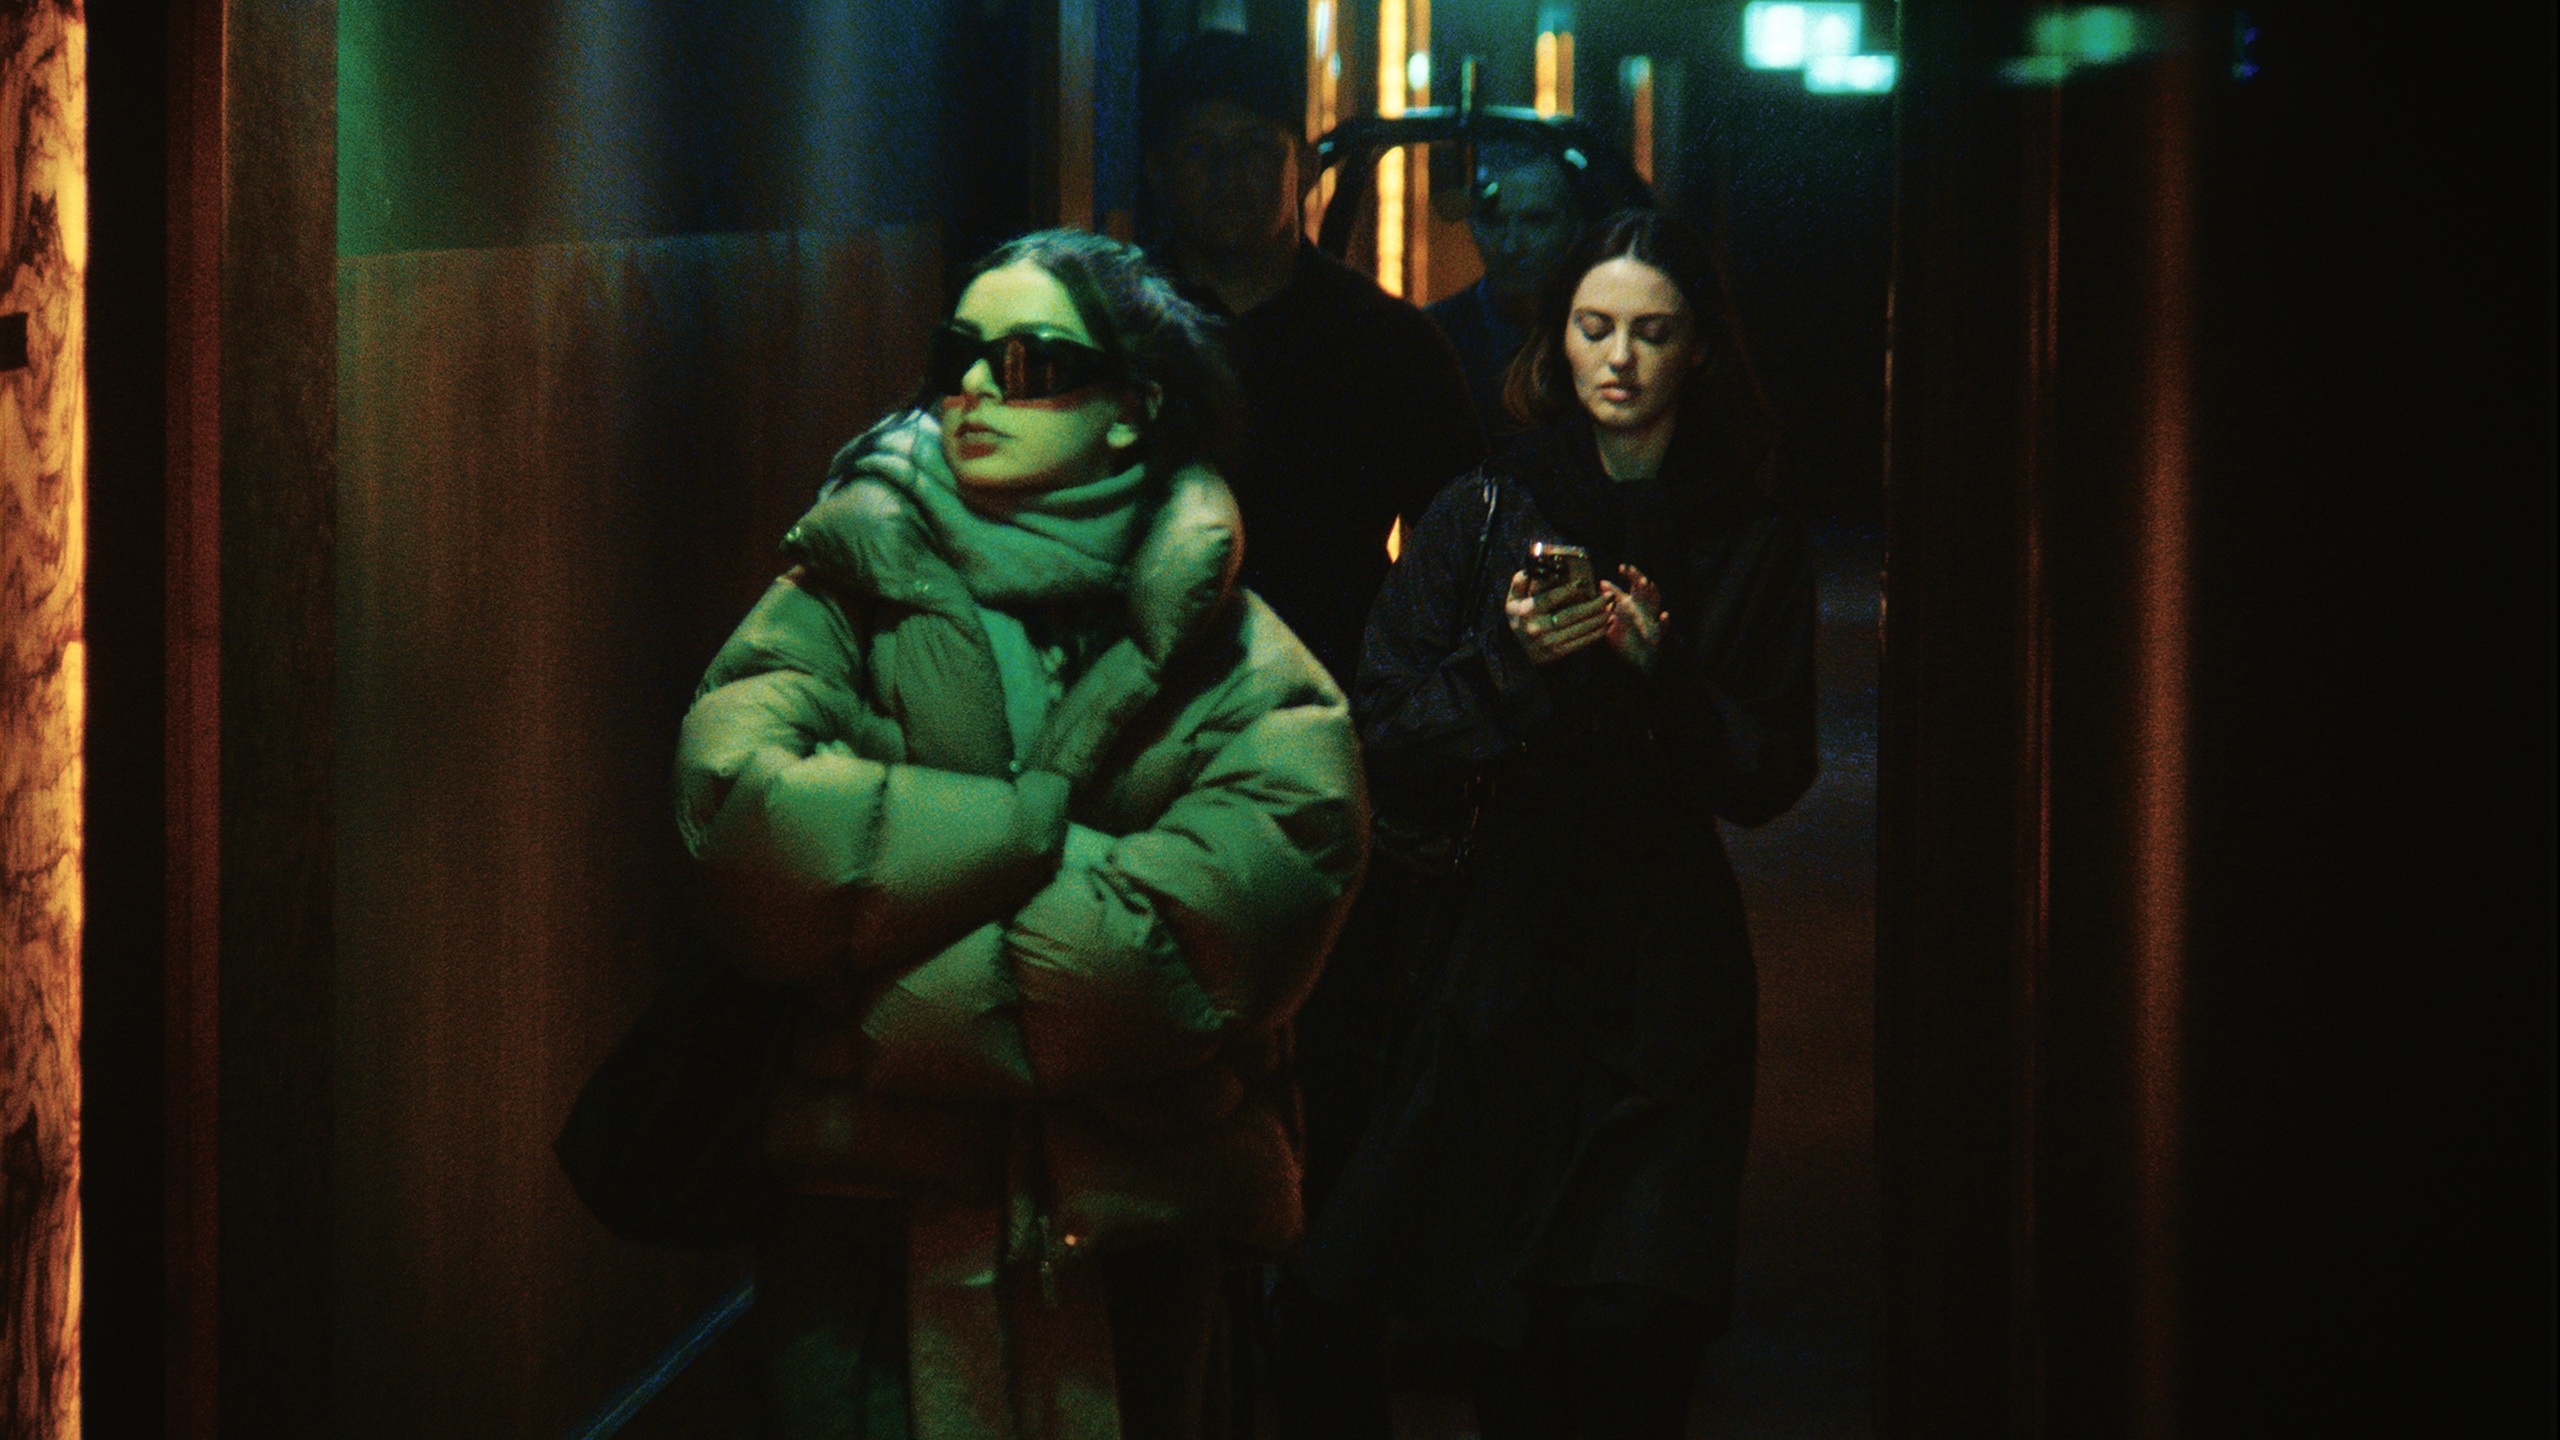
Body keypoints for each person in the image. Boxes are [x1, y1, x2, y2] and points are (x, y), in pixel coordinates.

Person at [672, 230, 1368, 1440]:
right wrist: (1030, 828)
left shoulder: (1230, 646)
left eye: (1033, 363)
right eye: (959, 356)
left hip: (1126, 1230)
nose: (978, 390)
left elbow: (1221, 925)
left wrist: (889, 973)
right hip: (866, 1221)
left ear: (1132, 411)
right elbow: (742, 825)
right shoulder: (846, 578)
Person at [1299, 208, 1819, 1440]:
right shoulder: (1483, 512)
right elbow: (1384, 723)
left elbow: (1766, 771)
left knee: (1636, 1329)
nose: (1621, 360)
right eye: (1596, 328)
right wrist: (1516, 667)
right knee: (1508, 1336)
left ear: (1699, 349)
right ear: (1558, 340)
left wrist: (1660, 672)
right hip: (1498, 964)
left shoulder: (1745, 532)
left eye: (1653, 332)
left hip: (1662, 978)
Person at [1143, 29, 1484, 690]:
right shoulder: (1114, 329)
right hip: (1146, 696)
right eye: (1200, 150)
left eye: (1254, 149)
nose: (1227, 175)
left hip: (1337, 694)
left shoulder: (1385, 340)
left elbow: (1461, 544)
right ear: (1158, 169)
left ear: (1299, 160)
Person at [1425, 145, 1593, 437]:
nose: (1512, 245)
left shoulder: (1605, 335)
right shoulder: (1432, 340)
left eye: (1536, 221)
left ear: (1574, 225)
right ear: (1471, 224)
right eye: (1493, 221)